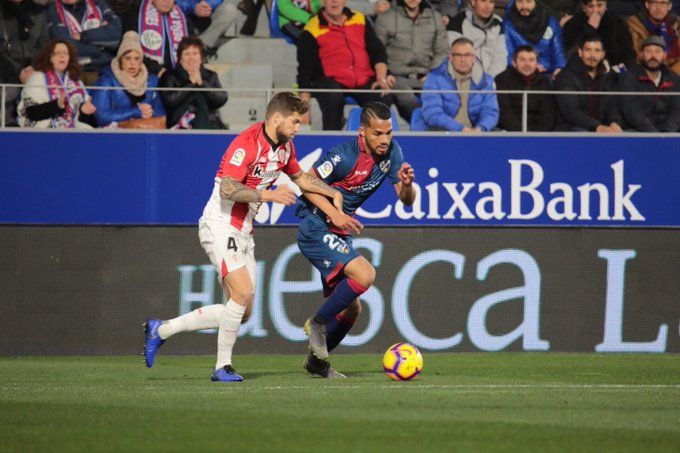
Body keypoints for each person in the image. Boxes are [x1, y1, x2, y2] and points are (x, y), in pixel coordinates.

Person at [143, 92, 346, 382]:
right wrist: (268, 194)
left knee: (242, 311)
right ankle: (221, 367)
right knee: (242, 293)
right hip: (221, 223)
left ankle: (160, 330)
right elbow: (227, 189)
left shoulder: (286, 147)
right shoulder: (246, 144)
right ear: (276, 118)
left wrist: (331, 191)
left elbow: (301, 178)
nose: (298, 128)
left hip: (243, 230)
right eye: (294, 122)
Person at [296, 101, 415, 378]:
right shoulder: (343, 156)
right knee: (365, 274)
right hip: (316, 227)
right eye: (377, 134)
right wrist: (333, 214)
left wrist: (408, 185)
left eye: (388, 133)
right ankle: (317, 323)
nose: (384, 140)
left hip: (337, 231)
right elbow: (304, 182)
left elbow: (406, 201)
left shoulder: (392, 153)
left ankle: (316, 363)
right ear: (362, 132)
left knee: (352, 309)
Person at [297, 0, 393, 130]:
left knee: (383, 95)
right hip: (330, 81)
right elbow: (305, 72)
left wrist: (381, 78)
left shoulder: (360, 19)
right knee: (332, 98)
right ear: (322, 2)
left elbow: (377, 51)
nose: (335, 1)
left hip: (362, 78)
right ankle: (331, 142)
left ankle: (377, 143)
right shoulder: (311, 30)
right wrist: (304, 113)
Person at [374, 0, 448, 123]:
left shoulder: (435, 18)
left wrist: (432, 73)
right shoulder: (385, 18)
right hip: (396, 77)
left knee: (445, 98)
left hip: (427, 76)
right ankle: (424, 128)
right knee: (406, 97)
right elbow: (377, 51)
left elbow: (442, 51)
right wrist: (385, 74)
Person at [421, 37, 499, 132]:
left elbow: (490, 111)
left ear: (473, 58)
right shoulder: (434, 78)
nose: (463, 59)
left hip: (476, 131)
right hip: (446, 131)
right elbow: (432, 113)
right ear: (450, 57)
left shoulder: (486, 81)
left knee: (498, 135)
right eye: (458, 55)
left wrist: (480, 128)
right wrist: (460, 129)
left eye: (467, 55)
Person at [17, 38, 97, 127]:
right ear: (50, 58)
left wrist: (84, 112)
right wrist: (57, 105)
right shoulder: (37, 77)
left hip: (71, 133)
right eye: (58, 53)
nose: (62, 56)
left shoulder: (77, 82)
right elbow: (31, 113)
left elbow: (85, 121)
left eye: (66, 53)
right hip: (44, 133)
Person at [91, 30, 165, 127]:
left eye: (136, 58)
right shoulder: (106, 80)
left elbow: (161, 115)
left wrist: (149, 113)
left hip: (145, 132)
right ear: (120, 60)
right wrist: (135, 111)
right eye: (128, 58)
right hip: (114, 135)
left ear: (141, 61)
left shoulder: (152, 81)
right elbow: (100, 116)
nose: (132, 63)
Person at [554, 34, 623, 131]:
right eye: (588, 50)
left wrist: (615, 122)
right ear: (580, 52)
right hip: (572, 128)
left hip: (600, 128)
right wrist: (597, 127)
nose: (592, 55)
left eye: (597, 50)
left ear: (603, 55)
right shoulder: (566, 76)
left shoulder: (607, 76)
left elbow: (612, 106)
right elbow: (571, 112)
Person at [159, 35, 227, 128]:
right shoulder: (170, 75)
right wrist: (190, 83)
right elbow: (169, 101)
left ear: (201, 58)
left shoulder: (210, 75)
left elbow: (221, 99)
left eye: (195, 53)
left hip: (208, 125)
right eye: (186, 54)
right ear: (180, 58)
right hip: (179, 126)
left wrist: (201, 83)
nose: (191, 58)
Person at [0, 0, 48, 126]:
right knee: (7, 93)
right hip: (6, 68)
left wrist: (33, 67)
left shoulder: (39, 12)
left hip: (35, 67)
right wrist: (16, 73)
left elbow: (44, 45)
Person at [618, 35, 680, 131]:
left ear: (664, 55)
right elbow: (631, 111)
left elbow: (677, 111)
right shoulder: (629, 77)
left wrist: (667, 134)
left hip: (668, 132)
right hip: (639, 131)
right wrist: (653, 134)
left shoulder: (674, 79)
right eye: (648, 51)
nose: (653, 56)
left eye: (657, 51)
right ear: (641, 54)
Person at [46, 0, 122, 73]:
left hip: (104, 68)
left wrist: (83, 36)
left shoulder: (98, 4)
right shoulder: (54, 8)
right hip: (72, 71)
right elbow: (64, 45)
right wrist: (100, 49)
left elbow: (115, 33)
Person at [121, 0, 193, 77]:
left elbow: (193, 49)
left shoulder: (184, 19)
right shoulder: (135, 16)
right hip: (144, 74)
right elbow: (127, 49)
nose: (167, 1)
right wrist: (156, 69)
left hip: (180, 75)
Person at [495, 45, 556, 131]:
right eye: (522, 60)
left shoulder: (544, 82)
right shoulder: (502, 80)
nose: (527, 64)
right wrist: (524, 133)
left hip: (538, 134)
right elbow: (505, 113)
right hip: (510, 132)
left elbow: (548, 114)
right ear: (514, 63)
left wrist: (535, 135)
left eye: (531, 60)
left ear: (536, 64)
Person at [563, 0, 635, 70]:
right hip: (581, 72)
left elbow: (628, 54)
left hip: (613, 72)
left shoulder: (617, 23)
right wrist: (589, 29)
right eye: (590, 6)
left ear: (606, 5)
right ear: (584, 7)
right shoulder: (572, 24)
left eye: (599, 5)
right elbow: (568, 54)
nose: (595, 10)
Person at [503, 0, 566, 77]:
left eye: (528, 2)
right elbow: (508, 55)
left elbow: (558, 51)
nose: (524, 6)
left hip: (548, 72)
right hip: (519, 73)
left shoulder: (550, 21)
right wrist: (531, 66)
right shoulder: (508, 25)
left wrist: (559, 68)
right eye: (519, 2)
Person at [446, 0, 507, 78]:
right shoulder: (457, 23)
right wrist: (479, 81)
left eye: (491, 2)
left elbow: (500, 57)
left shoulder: (498, 23)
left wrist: (489, 80)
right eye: (483, 1)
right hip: (465, 80)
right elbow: (456, 59)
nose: (487, 6)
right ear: (473, 2)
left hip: (493, 81)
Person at [626, 0, 680, 74]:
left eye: (663, 3)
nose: (658, 7)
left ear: (670, 6)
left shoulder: (677, 25)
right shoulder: (632, 25)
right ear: (647, 4)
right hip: (643, 72)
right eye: (654, 2)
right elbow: (631, 60)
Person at [175, 0, 241, 50]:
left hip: (208, 13)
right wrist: (193, 8)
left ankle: (201, 46)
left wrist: (207, 5)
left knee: (230, 10)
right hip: (184, 15)